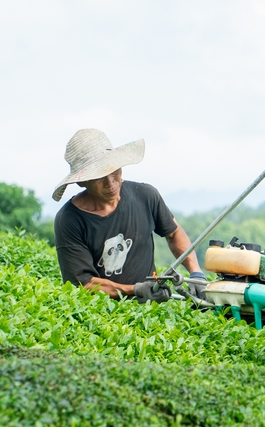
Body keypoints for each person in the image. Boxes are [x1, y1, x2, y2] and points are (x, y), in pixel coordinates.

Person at [52, 128, 205, 302]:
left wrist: (196, 273)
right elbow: (84, 284)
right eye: (99, 177)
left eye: (113, 171)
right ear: (82, 182)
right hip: (102, 315)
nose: (110, 182)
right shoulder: (69, 220)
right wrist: (136, 290)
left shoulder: (145, 195)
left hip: (151, 309)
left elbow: (174, 233)